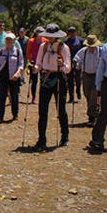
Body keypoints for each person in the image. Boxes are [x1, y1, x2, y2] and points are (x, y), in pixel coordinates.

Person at [33, 23, 71, 151]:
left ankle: (65, 136)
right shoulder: (43, 47)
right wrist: (35, 68)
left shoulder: (63, 48)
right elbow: (39, 63)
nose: (49, 38)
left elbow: (68, 68)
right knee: (42, 110)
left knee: (61, 109)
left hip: (59, 78)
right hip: (46, 78)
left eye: (51, 36)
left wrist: (62, 65)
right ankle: (41, 139)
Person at [73, 34, 103, 127]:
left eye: (93, 46)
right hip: (86, 75)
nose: (91, 48)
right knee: (87, 95)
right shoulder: (83, 51)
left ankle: (92, 116)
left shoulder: (101, 52)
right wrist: (75, 63)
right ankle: (95, 111)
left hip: (97, 75)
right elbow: (76, 59)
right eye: (89, 46)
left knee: (94, 95)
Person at [0, 33, 24, 122]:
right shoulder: (1, 51)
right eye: (7, 40)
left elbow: (21, 65)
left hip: (14, 77)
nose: (9, 42)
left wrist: (18, 73)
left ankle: (15, 114)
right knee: (2, 96)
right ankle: (0, 116)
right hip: (3, 76)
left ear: (14, 41)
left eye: (10, 40)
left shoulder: (18, 52)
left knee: (14, 96)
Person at [26, 27, 46, 104]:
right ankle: (33, 97)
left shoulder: (45, 41)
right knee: (34, 81)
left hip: (43, 63)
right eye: (39, 32)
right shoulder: (31, 41)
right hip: (34, 63)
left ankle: (42, 96)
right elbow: (28, 52)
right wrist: (31, 61)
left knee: (43, 80)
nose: (40, 33)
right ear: (36, 33)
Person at [64, 26, 84, 103]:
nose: (72, 34)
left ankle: (78, 90)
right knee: (70, 80)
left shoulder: (80, 41)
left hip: (78, 63)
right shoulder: (66, 42)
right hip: (69, 62)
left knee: (78, 79)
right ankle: (71, 97)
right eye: (70, 32)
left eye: (73, 32)